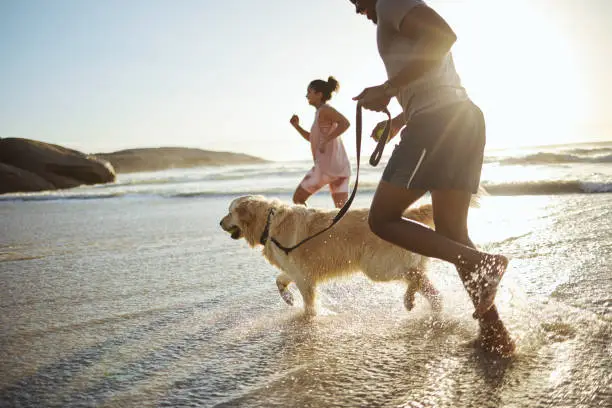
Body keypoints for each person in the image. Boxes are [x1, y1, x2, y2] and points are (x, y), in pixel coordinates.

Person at [348, 0, 514, 353]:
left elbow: (442, 37)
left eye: (355, 0)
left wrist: (388, 88)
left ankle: (484, 264)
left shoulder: (390, 2)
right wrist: (397, 121)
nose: (358, 9)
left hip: (436, 125)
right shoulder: (395, 10)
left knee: (382, 219)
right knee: (453, 233)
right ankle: (496, 334)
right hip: (458, 117)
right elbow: (435, 77)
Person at [290, 76, 352, 208]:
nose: (306, 95)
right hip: (340, 168)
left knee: (298, 199)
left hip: (325, 168)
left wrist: (326, 140)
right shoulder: (320, 112)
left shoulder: (325, 110)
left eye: (309, 92)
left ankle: (309, 227)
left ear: (319, 94)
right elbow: (312, 139)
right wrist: (297, 126)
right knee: (340, 211)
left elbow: (345, 123)